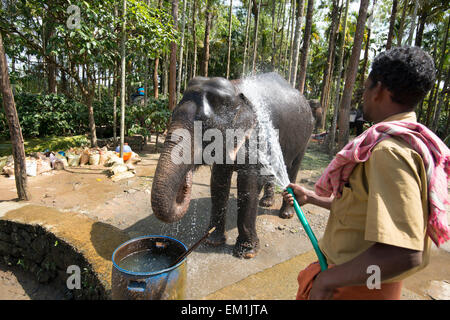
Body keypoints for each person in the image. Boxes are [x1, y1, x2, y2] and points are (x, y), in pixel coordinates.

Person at [283, 46, 450, 300]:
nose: (363, 94)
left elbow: (405, 252)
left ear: (380, 90)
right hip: (359, 280)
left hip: (358, 288)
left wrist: (328, 281)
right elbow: (365, 207)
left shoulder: (389, 152)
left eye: (367, 86)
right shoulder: (408, 142)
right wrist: (312, 198)